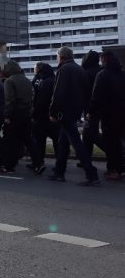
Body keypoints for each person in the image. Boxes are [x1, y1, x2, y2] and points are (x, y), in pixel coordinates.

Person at [48, 46, 99, 186]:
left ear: (61, 57)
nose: (57, 59)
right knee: (63, 143)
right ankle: (59, 172)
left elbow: (58, 92)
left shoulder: (63, 69)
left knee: (76, 144)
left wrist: (53, 112)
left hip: (65, 112)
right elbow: (86, 93)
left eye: (57, 57)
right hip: (75, 111)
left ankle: (91, 173)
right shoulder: (79, 69)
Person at [87, 51, 125, 180]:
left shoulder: (102, 75)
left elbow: (96, 96)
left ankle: (113, 170)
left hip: (108, 114)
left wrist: (90, 112)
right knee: (119, 142)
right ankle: (121, 168)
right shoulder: (122, 74)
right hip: (122, 113)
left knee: (110, 143)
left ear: (105, 59)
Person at [1, 60, 36, 174]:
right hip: (26, 114)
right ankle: (38, 162)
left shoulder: (9, 81)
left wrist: (7, 116)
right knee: (28, 140)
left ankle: (9, 166)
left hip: (15, 115)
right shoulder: (26, 80)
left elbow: (10, 100)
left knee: (10, 141)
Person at [31, 62, 61, 172]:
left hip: (42, 117)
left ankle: (39, 161)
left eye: (35, 69)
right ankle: (60, 162)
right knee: (56, 140)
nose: (34, 70)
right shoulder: (54, 79)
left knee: (39, 141)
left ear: (39, 70)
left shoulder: (43, 82)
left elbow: (40, 101)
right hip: (53, 116)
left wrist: (34, 114)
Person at [81, 50, 105, 157]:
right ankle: (86, 158)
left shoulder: (86, 73)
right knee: (87, 133)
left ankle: (116, 153)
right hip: (101, 106)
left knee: (92, 133)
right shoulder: (100, 70)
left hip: (90, 107)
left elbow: (84, 91)